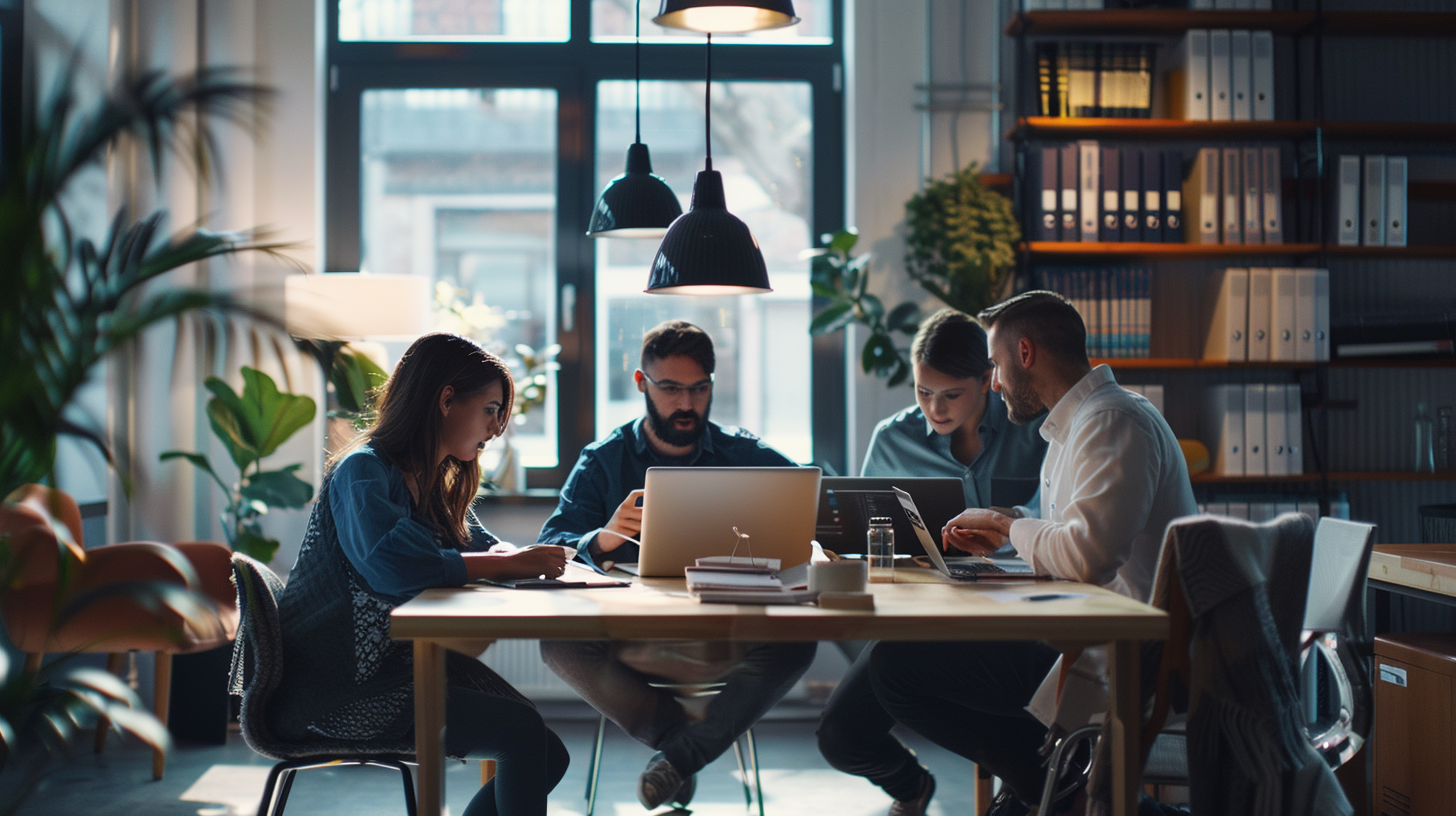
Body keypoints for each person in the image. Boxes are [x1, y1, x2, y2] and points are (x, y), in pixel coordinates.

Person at [866, 291, 1198, 816]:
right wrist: (1014, 528)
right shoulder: (1075, 426)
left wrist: (1007, 524)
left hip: (1127, 652)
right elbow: (1068, 539)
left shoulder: (1112, 421)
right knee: (901, 665)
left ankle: (1052, 789)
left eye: (995, 365)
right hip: (1085, 633)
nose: (993, 383)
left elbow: (1087, 557)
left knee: (894, 668)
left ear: (1025, 354)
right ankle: (1046, 786)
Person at [275, 332, 571, 816]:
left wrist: (517, 556)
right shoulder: (363, 470)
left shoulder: (432, 478)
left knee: (542, 749)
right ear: (446, 399)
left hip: (392, 673)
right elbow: (391, 567)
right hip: (338, 690)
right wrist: (510, 563)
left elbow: (476, 544)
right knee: (524, 736)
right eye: (491, 409)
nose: (497, 428)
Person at [536, 319, 817, 810]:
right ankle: (684, 750)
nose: (686, 404)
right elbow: (552, 546)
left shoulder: (744, 454)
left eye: (698, 388)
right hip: (632, 635)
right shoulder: (603, 460)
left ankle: (678, 756)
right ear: (642, 383)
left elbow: (816, 499)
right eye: (670, 388)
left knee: (799, 642)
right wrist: (601, 538)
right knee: (558, 643)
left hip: (729, 627)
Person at [817, 308, 1049, 816]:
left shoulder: (1034, 433)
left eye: (950, 394)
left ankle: (1039, 786)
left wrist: (1014, 520)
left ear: (987, 380)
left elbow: (1060, 514)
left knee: (996, 708)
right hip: (923, 610)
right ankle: (915, 785)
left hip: (1019, 614)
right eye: (923, 393)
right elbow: (862, 536)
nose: (934, 408)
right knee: (839, 736)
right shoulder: (892, 438)